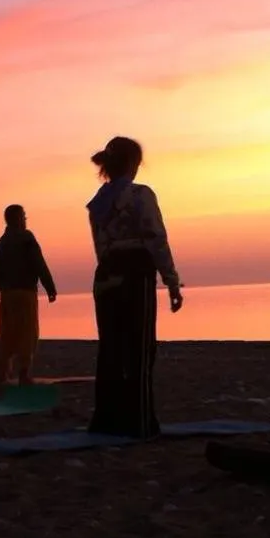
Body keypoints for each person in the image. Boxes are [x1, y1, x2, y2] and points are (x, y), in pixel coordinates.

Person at [85, 136, 184, 438]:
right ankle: (138, 421)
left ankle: (107, 419)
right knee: (139, 349)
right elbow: (156, 238)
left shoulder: (98, 203)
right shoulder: (140, 195)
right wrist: (171, 280)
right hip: (134, 272)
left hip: (106, 274)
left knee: (111, 348)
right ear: (132, 164)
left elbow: (100, 247)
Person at [0, 204, 57, 386]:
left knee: (7, 332)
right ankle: (23, 374)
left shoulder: (1, 243)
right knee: (27, 333)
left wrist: (3, 289)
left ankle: (3, 374)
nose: (25, 219)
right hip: (25, 292)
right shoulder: (26, 238)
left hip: (7, 294)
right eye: (23, 216)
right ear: (17, 218)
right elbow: (39, 263)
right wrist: (50, 287)